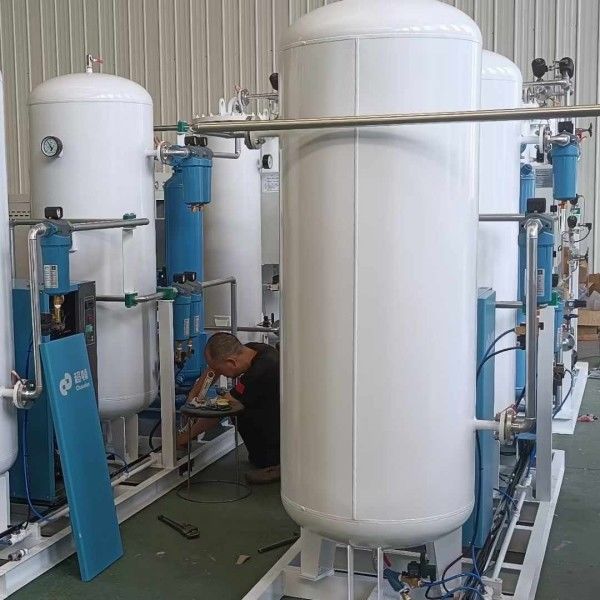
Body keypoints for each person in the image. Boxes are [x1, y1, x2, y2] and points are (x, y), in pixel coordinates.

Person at [181, 333, 280, 484]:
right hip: (276, 419)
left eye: (221, 369)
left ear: (231, 362)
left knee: (233, 407)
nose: (220, 373)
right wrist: (193, 398)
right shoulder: (253, 350)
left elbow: (221, 410)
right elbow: (213, 370)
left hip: (274, 449)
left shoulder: (260, 371)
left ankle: (276, 467)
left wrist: (184, 437)